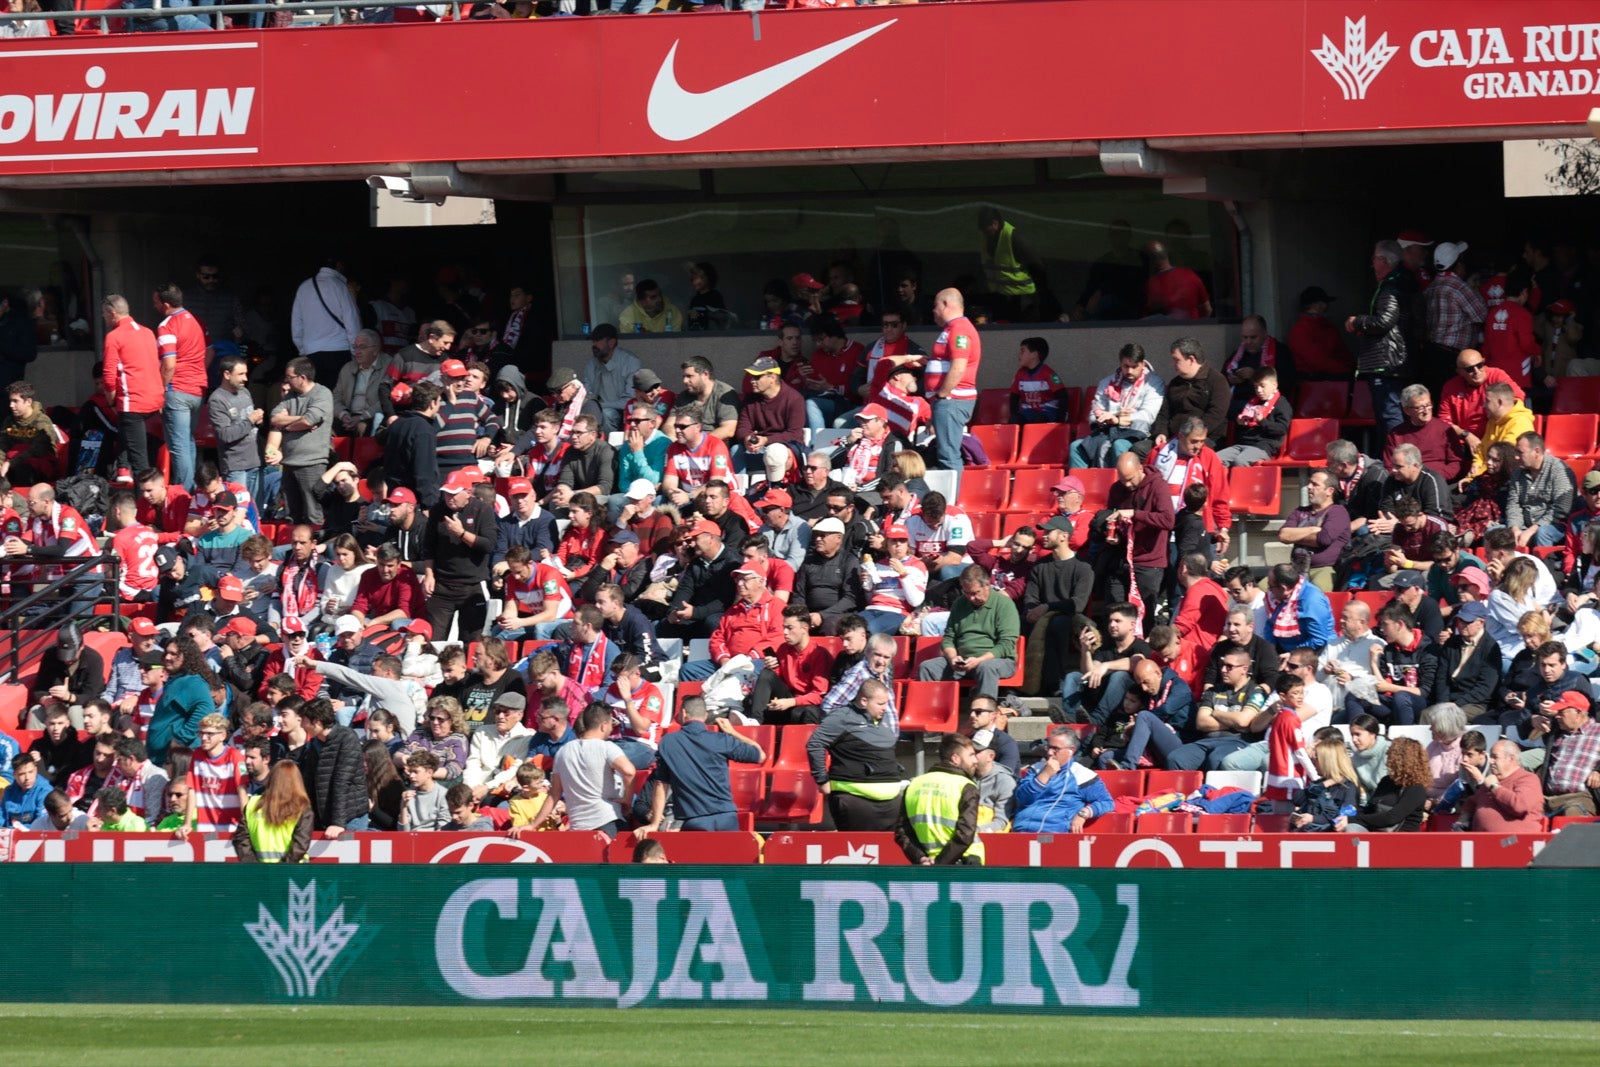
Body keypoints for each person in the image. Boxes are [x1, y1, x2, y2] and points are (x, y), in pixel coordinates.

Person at [637, 696, 765, 835]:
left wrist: (655, 824)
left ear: (684, 713)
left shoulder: (668, 742)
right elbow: (760, 755)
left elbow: (661, 784)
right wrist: (732, 732)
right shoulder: (721, 740)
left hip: (695, 820)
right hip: (726, 818)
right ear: (705, 716)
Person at [524, 703, 636, 837]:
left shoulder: (563, 751)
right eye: (611, 723)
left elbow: (554, 794)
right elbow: (629, 772)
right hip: (608, 820)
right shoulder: (607, 747)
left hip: (578, 827)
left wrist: (533, 824)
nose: (612, 728)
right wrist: (627, 801)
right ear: (604, 725)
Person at [808, 678, 904, 832]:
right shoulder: (841, 717)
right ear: (864, 701)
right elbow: (815, 744)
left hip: (891, 803)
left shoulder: (882, 718)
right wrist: (821, 779)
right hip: (855, 801)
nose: (885, 708)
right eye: (880, 704)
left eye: (886, 703)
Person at [1345, 238, 1417, 436]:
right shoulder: (1406, 281)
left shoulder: (1391, 287)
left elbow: (1384, 320)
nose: (1372, 265)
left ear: (1383, 260)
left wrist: (1356, 322)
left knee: (1390, 417)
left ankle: (1395, 461)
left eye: (1374, 259)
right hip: (1397, 362)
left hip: (1386, 364)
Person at [918, 565, 1020, 699]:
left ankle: (984, 713)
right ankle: (932, 711)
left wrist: (980, 660)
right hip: (964, 661)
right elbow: (949, 637)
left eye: (975, 593)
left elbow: (1006, 644)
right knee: (927, 667)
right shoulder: (960, 603)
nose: (971, 598)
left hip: (997, 661)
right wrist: (953, 658)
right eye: (966, 593)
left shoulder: (1004, 604)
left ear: (987, 585)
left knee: (986, 668)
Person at [421, 469, 498, 641]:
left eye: (454, 493)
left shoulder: (482, 510)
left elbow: (488, 545)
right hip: (442, 586)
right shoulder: (437, 511)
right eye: (447, 493)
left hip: (471, 586)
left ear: (468, 492)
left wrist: (461, 533)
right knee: (433, 640)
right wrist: (429, 574)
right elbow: (428, 546)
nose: (450, 498)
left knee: (470, 641)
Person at [1100, 451, 1175, 622]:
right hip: (1121, 559)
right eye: (1122, 479)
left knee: (1143, 615)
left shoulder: (1158, 486)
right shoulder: (1116, 489)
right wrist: (1115, 534)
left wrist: (1135, 514)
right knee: (1114, 612)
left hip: (1149, 561)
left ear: (1140, 468)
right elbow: (1112, 516)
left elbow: (1168, 520)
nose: (1126, 484)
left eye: (1130, 479)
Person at [1167, 649, 1272, 771]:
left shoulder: (1256, 691)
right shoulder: (1212, 691)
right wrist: (1234, 722)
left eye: (1229, 667)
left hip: (1238, 742)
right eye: (1222, 665)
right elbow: (1201, 722)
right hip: (1207, 741)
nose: (1223, 670)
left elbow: (1243, 721)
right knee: (1175, 758)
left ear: (1244, 669)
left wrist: (1216, 713)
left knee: (1216, 759)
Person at [679, 559, 782, 682]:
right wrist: (724, 659)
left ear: (760, 581)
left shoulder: (776, 606)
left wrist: (749, 658)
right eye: (738, 579)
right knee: (688, 670)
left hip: (758, 662)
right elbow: (717, 638)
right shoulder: (733, 610)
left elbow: (777, 638)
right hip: (728, 662)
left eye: (745, 579)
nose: (739, 584)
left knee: (749, 672)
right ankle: (697, 701)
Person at [265, 357, 335, 526]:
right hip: (289, 463)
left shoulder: (322, 393)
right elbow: (274, 418)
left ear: (302, 377)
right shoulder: (290, 397)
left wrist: (289, 423)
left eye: (290, 377)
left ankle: (315, 549)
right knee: (291, 515)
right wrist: (299, 421)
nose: (287, 381)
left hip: (311, 463)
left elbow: (309, 421)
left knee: (313, 513)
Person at [895, 733, 983, 867]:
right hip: (964, 864)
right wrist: (940, 864)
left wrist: (921, 858)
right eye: (971, 755)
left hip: (926, 866)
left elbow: (902, 832)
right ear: (955, 759)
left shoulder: (914, 784)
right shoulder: (965, 786)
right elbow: (965, 834)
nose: (975, 760)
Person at [1070, 342, 1164, 468]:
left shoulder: (1153, 383)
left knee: (1119, 445)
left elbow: (1148, 415)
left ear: (1142, 364)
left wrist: (1118, 419)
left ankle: (1116, 486)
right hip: (1106, 432)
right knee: (1075, 447)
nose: (1129, 371)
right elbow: (1093, 413)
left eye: (1134, 366)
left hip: (1138, 433)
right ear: (1120, 364)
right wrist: (1105, 418)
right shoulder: (1107, 382)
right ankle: (1079, 487)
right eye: (1125, 366)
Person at [153, 281, 208, 490]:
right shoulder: (194, 321)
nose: (154, 305)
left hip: (178, 389)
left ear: (166, 304)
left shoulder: (167, 325)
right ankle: (193, 489)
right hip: (197, 390)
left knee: (179, 446)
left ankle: (184, 494)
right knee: (188, 442)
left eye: (156, 301)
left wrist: (159, 392)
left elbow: (169, 364)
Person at [100, 294, 162, 473]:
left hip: (132, 402)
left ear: (112, 313)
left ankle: (141, 498)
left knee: (139, 463)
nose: (103, 318)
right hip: (155, 400)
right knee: (145, 455)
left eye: (104, 314)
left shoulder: (114, 336)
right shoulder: (148, 332)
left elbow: (108, 374)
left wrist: (111, 400)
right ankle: (124, 473)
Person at [1011, 726, 1114, 833]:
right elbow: (1021, 799)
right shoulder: (1036, 769)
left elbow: (1107, 802)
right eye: (1049, 747)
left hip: (1053, 836)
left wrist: (1084, 813)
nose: (1050, 753)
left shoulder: (1082, 775)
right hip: (1021, 832)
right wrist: (1044, 775)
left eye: (1055, 749)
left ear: (1071, 750)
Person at [925, 288, 980, 477]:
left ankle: (952, 501)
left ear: (946, 304)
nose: (933, 310)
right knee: (946, 452)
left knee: (948, 455)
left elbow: (959, 366)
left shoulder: (960, 330)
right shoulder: (952, 329)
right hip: (947, 400)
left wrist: (942, 394)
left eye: (935, 305)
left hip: (951, 399)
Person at [300, 697, 367, 838]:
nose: (302, 725)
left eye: (304, 721)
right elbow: (309, 783)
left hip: (349, 818)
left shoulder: (347, 738)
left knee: (350, 858)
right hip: (326, 817)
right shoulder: (314, 744)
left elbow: (342, 781)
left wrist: (338, 822)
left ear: (317, 722)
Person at [1276, 469, 1350, 592]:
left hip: (1324, 568)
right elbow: (1283, 535)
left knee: (1317, 590)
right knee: (1264, 587)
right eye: (1310, 483)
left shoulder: (1338, 512)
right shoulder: (1300, 511)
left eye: (1315, 485)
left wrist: (1297, 534)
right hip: (1296, 568)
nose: (1309, 487)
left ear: (1329, 491)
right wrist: (1313, 529)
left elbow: (1323, 539)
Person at [290, 256, 361, 385]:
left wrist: (303, 351)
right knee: (338, 398)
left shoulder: (304, 287)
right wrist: (356, 352)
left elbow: (296, 325)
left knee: (317, 399)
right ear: (339, 265)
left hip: (311, 352)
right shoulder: (341, 286)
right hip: (340, 351)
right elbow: (352, 321)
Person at [1528, 691, 1600, 816]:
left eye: (1562, 712)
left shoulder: (1598, 731)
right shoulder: (1557, 733)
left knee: (1572, 811)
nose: (1557, 716)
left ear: (1578, 713)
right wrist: (1533, 719)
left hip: (1582, 797)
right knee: (1521, 808)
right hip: (1548, 797)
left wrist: (1598, 771)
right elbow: (1526, 733)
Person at [1337, 736, 1430, 832]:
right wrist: (1350, 813)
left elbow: (1392, 817)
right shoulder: (1386, 781)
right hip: (1379, 834)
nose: (1387, 758)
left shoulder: (1416, 788)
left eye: (1390, 755)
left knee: (1351, 828)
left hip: (1403, 839)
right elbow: (1371, 809)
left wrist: (1353, 820)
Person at [1152, 338, 1230, 449]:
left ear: (1191, 359)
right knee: (1139, 449)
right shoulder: (1175, 383)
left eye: (1176, 360)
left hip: (1202, 440)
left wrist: (1191, 435)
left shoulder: (1216, 381)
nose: (1172, 364)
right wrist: (1161, 433)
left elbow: (1216, 414)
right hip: (1172, 438)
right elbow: (1164, 414)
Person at [1429, 602, 1501, 720]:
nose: (1462, 625)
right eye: (1460, 620)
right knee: (1427, 715)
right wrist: (1444, 703)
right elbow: (1442, 678)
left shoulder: (1491, 648)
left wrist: (1457, 704)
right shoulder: (1451, 643)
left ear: (1481, 623)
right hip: (1449, 701)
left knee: (1450, 718)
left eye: (1468, 622)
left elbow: (1484, 688)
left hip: (1475, 703)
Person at [1506, 431, 1577, 549]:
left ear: (1537, 452)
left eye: (1520, 453)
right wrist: (1515, 527)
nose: (1516, 457)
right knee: (1494, 531)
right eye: (1516, 452)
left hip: (1555, 525)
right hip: (1524, 525)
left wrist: (1533, 529)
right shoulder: (1517, 473)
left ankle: (1545, 565)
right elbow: (1513, 504)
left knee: (1543, 533)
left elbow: (1561, 509)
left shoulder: (1559, 470)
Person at [1455, 739, 1543, 832]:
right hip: (1483, 842)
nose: (1491, 761)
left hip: (1515, 842)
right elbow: (1471, 803)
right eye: (1491, 757)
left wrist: (1495, 787)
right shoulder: (1490, 782)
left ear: (1511, 759)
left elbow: (1520, 806)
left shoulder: (1528, 779)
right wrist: (1463, 820)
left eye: (1495, 757)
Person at [1289, 737, 1362, 832]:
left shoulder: (1348, 787)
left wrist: (1313, 819)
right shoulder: (1320, 783)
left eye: (1316, 758)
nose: (1313, 762)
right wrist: (1324, 785)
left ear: (1327, 761)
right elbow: (1297, 799)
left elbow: (1344, 817)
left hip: (1329, 837)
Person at [1260, 563, 1335, 653]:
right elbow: (1270, 624)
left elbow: (1319, 640)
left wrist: (1292, 654)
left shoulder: (1311, 601)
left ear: (1284, 588)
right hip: (1283, 649)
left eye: (1271, 587)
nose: (1269, 590)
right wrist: (1269, 650)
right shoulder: (1276, 597)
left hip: (1311, 652)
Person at [1008, 336, 1069, 424]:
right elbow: (1014, 397)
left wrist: (1061, 418)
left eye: (1022, 351)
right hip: (1028, 412)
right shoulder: (1020, 374)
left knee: (1039, 420)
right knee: (1015, 420)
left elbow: (1063, 396)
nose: (1019, 355)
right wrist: (1014, 415)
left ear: (1034, 354)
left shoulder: (1049, 374)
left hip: (1047, 412)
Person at [1144, 240, 1211, 320]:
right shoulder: (1190, 274)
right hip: (1193, 329)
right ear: (1166, 255)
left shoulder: (1151, 284)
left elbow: (1146, 322)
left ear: (1149, 261)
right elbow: (1207, 309)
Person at [2, 752, 51, 829]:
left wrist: (17, 829)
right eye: (22, 774)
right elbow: (2, 816)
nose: (27, 778)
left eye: (30, 772)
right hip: (10, 836)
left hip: (34, 836)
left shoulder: (45, 791)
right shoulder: (9, 791)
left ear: (36, 770)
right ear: (14, 775)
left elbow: (42, 823)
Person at [618, 278, 683, 334]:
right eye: (653, 297)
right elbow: (627, 344)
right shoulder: (628, 315)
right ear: (642, 301)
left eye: (660, 294)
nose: (659, 299)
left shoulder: (673, 311)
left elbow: (676, 341)